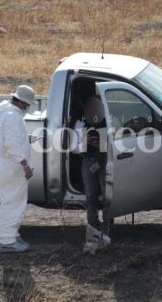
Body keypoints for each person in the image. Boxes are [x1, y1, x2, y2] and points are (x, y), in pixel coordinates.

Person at [0, 85, 36, 253]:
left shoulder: (7, 113)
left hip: (9, 165)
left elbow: (12, 140)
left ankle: (11, 236)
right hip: (13, 167)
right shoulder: (12, 116)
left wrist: (26, 139)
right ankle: (8, 241)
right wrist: (24, 164)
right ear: (23, 102)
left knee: (12, 202)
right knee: (12, 203)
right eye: (27, 104)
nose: (27, 107)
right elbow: (10, 144)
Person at [70, 96, 112, 254]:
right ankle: (93, 230)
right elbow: (73, 148)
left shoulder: (109, 121)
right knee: (91, 196)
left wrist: (104, 143)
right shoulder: (80, 124)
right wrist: (85, 144)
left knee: (109, 195)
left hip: (106, 160)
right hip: (87, 160)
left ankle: (107, 231)